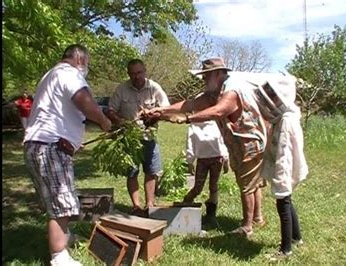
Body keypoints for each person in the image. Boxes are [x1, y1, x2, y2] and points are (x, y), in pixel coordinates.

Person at [146, 57, 267, 236]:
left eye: (206, 75)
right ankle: (257, 218)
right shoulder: (211, 94)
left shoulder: (231, 90)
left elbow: (219, 111)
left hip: (249, 142)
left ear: (218, 74)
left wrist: (187, 119)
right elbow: (189, 104)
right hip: (236, 142)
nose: (203, 79)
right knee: (249, 181)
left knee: (247, 183)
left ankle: (247, 225)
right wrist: (161, 111)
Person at [23, 44, 112, 266]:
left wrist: (73, 139)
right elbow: (84, 102)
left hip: (39, 144)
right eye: (87, 64)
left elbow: (56, 112)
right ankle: (59, 256)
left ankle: (65, 237)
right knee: (61, 204)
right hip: (50, 146)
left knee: (56, 200)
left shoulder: (50, 76)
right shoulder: (69, 73)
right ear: (80, 59)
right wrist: (103, 121)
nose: (86, 69)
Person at [106, 59, 170, 216]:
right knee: (132, 172)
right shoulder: (122, 89)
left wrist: (154, 115)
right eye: (133, 74)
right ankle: (136, 206)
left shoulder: (154, 88)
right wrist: (119, 121)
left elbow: (166, 109)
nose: (136, 76)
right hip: (130, 138)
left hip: (149, 137)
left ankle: (149, 204)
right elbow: (110, 110)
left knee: (151, 171)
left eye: (139, 72)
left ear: (145, 71)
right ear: (128, 74)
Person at [254, 78, 308, 259]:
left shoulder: (286, 121)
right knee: (288, 202)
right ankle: (296, 238)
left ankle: (286, 250)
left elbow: (285, 155)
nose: (271, 101)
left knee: (283, 205)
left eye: (274, 97)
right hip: (285, 168)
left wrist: (281, 181)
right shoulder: (285, 117)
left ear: (282, 98)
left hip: (285, 170)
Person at [182, 119, 229, 229]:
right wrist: (190, 162)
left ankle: (211, 214)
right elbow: (190, 145)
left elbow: (222, 142)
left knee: (214, 186)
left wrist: (226, 159)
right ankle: (186, 203)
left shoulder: (216, 123)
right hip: (202, 160)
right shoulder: (193, 126)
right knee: (198, 187)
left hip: (217, 159)